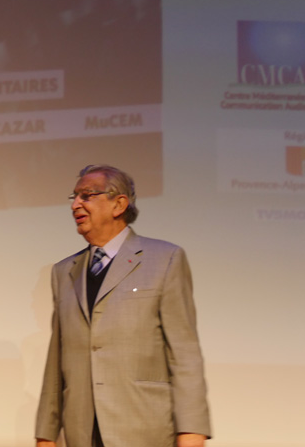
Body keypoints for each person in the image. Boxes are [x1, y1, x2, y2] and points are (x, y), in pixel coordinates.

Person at [35, 165, 211, 447]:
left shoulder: (165, 259)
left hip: (143, 429)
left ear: (119, 204)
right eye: (74, 196)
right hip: (81, 432)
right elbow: (56, 360)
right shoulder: (64, 271)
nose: (75, 204)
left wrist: (191, 430)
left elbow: (184, 353)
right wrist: (46, 433)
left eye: (87, 195)